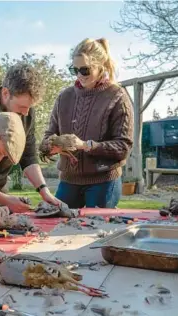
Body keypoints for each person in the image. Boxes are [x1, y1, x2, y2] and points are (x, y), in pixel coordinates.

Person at [42, 38, 134, 208]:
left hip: (103, 181)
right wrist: (51, 146)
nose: (79, 75)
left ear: (101, 66)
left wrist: (85, 145)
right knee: (57, 226)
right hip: (68, 181)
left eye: (84, 70)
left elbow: (123, 147)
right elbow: (49, 135)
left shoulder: (117, 96)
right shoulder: (64, 97)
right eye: (74, 70)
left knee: (97, 232)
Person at [0, 62, 62, 213]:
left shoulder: (27, 113)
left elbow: (28, 156)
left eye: (30, 108)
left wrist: (44, 190)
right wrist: (3, 200)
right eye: (22, 107)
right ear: (5, 94)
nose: (26, 113)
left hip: (0, 188)